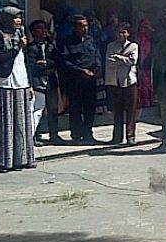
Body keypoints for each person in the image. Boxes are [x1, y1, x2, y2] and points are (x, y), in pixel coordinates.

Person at [0, 7, 35, 171]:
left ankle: (22, 158)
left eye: (20, 18)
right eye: (15, 18)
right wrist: (17, 48)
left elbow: (25, 61)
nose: (18, 21)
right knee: (6, 121)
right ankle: (5, 160)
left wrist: (29, 84)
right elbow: (1, 58)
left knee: (21, 121)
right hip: (5, 80)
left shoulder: (20, 34)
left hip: (21, 79)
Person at [60, 14, 102, 144]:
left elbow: (96, 55)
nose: (85, 28)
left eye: (86, 26)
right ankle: (77, 135)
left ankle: (88, 133)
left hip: (90, 79)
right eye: (82, 26)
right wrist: (81, 71)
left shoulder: (90, 40)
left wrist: (98, 67)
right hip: (75, 80)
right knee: (75, 108)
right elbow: (64, 62)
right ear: (74, 28)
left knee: (90, 107)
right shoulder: (66, 42)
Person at [26, 20, 61, 145]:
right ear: (34, 32)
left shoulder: (51, 46)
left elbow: (58, 61)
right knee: (36, 110)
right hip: (37, 81)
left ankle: (54, 135)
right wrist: (38, 65)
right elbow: (29, 65)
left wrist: (48, 64)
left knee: (53, 109)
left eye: (44, 28)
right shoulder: (30, 48)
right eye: (39, 28)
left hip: (50, 81)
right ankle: (34, 135)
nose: (43, 31)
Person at [105, 23, 139, 145]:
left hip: (129, 82)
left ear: (128, 33)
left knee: (131, 111)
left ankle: (130, 137)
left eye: (124, 32)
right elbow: (109, 61)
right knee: (117, 111)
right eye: (119, 32)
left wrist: (119, 58)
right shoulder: (111, 46)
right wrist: (124, 59)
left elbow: (133, 60)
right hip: (115, 82)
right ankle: (117, 137)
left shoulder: (133, 46)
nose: (121, 35)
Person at [136, 18, 155, 109]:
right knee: (142, 82)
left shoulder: (151, 37)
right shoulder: (138, 37)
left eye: (145, 27)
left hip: (148, 61)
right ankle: (144, 102)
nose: (143, 29)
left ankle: (150, 101)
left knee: (148, 82)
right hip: (140, 62)